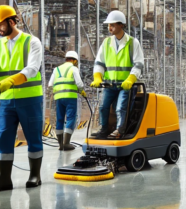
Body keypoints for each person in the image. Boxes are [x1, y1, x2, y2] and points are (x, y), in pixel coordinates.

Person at [0, 5, 44, 192]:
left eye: (0, 25)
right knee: (4, 138)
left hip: (30, 99)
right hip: (7, 102)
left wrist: (10, 81)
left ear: (11, 21)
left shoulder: (32, 42)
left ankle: (34, 176)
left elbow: (32, 69)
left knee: (33, 137)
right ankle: (3, 179)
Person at [90, 11, 144, 139]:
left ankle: (120, 130)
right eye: (109, 25)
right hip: (109, 84)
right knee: (103, 107)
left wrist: (131, 79)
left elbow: (138, 64)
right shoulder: (107, 43)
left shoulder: (132, 43)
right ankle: (104, 129)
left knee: (120, 108)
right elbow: (99, 63)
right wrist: (97, 77)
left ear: (121, 25)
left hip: (125, 85)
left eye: (112, 25)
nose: (110, 28)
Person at [48, 51, 87, 151]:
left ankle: (61, 145)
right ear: (74, 60)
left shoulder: (56, 69)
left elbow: (50, 85)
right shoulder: (73, 68)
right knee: (70, 118)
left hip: (58, 97)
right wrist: (81, 91)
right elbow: (79, 83)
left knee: (60, 119)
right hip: (70, 97)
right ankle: (66, 143)